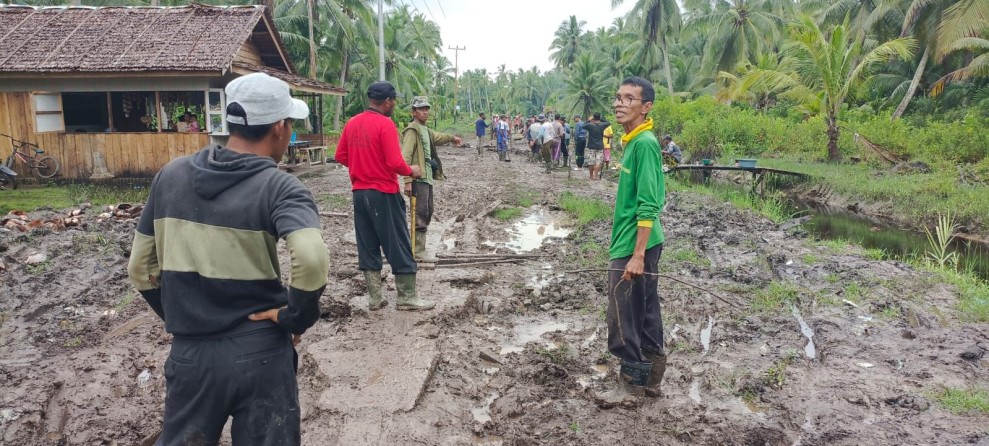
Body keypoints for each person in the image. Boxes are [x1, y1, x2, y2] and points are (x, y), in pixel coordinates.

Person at [127, 72, 330, 444]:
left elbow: (141, 268)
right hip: (261, 352)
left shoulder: (170, 176)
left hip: (192, 354)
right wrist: (295, 316)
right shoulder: (281, 187)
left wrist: (182, 316)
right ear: (280, 127)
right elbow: (312, 258)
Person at [595, 76, 666, 408]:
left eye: (629, 98)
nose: (619, 103)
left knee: (623, 313)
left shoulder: (645, 144)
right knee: (646, 309)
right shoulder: (632, 140)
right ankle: (652, 378)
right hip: (642, 243)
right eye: (618, 97)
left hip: (635, 246)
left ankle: (630, 385)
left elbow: (650, 203)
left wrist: (637, 254)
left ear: (646, 106)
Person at [335, 81, 434, 311]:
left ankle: (375, 297)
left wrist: (363, 164)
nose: (394, 104)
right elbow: (394, 162)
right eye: (394, 101)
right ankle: (407, 297)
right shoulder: (385, 125)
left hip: (359, 194)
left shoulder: (352, 123)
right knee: (398, 242)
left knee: (367, 243)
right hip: (383, 193)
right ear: (387, 101)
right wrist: (412, 171)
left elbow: (341, 156)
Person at [401, 96, 462, 261]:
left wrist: (452, 138)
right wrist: (407, 181)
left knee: (427, 211)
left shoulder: (426, 131)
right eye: (421, 109)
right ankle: (418, 251)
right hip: (417, 179)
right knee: (420, 213)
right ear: (413, 112)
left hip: (427, 178)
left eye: (426, 108)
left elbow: (438, 137)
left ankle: (419, 248)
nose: (425, 112)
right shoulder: (412, 131)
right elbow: (405, 157)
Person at [583, 112, 611, 180]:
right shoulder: (602, 125)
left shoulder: (590, 125)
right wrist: (600, 119)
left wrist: (589, 120)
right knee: (598, 161)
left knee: (591, 161)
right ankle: (596, 175)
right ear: (599, 117)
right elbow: (608, 123)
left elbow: (583, 125)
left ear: (593, 118)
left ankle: (591, 176)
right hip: (600, 145)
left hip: (591, 145)